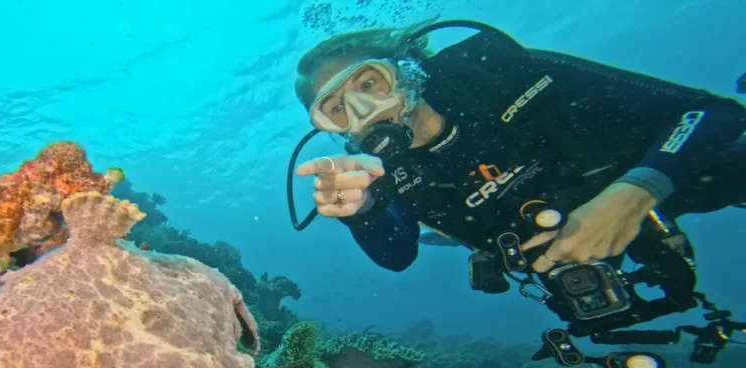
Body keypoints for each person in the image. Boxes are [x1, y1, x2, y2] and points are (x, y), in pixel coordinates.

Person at [292, 19, 746, 276]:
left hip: (668, 177)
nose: (364, 110)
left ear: (405, 70)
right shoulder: (377, 171)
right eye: (336, 108)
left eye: (369, 83)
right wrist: (362, 211)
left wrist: (633, 193)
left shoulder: (497, 76)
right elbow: (397, 256)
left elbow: (713, 114)